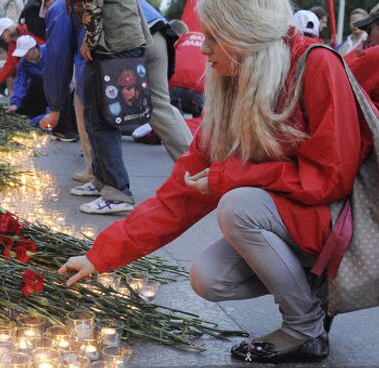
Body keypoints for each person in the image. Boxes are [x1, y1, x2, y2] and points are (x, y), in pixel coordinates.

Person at [59, 0, 373, 363]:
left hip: (340, 223)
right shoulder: (231, 85)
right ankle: (313, 291)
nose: (202, 47)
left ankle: (304, 330)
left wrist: (232, 176)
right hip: (292, 220)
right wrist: (99, 256)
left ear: (245, 34)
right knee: (208, 278)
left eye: (214, 37)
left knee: (237, 207)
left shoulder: (316, 64)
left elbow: (330, 179)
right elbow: (178, 195)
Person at [63, 0, 152, 215]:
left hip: (114, 46)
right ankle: (102, 182)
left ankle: (117, 192)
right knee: (95, 119)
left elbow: (92, 6)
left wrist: (90, 41)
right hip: (114, 43)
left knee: (103, 121)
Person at [41, 0, 94, 182]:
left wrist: (54, 109)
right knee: (158, 107)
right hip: (150, 33)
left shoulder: (61, 7)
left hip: (104, 58)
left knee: (90, 115)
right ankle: (97, 174)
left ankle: (105, 182)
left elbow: (57, 60)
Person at [138, 0, 193, 162]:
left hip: (134, 36)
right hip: (159, 33)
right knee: (160, 105)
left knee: (97, 107)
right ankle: (195, 165)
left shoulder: (64, 6)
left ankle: (104, 177)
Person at [7, 35, 78, 140]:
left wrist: (51, 112)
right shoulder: (23, 64)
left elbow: (60, 81)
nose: (23, 57)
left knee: (66, 114)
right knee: (33, 88)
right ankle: (39, 118)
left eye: (25, 53)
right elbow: (20, 83)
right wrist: (15, 103)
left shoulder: (51, 52)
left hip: (63, 85)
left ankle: (66, 128)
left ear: (33, 48)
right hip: (42, 89)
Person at [168, 19, 206, 118]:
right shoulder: (204, 40)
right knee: (197, 122)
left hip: (174, 88)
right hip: (200, 92)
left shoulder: (178, 42)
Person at [0, 0, 25, 95]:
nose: (0, 38)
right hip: (11, 30)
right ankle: (8, 93)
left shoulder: (27, 35)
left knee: (18, 67)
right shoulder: (11, 42)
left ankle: (5, 90)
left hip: (17, 31)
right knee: (11, 67)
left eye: (1, 35)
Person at [350, 3, 379, 111]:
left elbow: (339, 84)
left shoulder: (374, 55)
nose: (367, 38)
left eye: (369, 30)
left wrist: (359, 59)